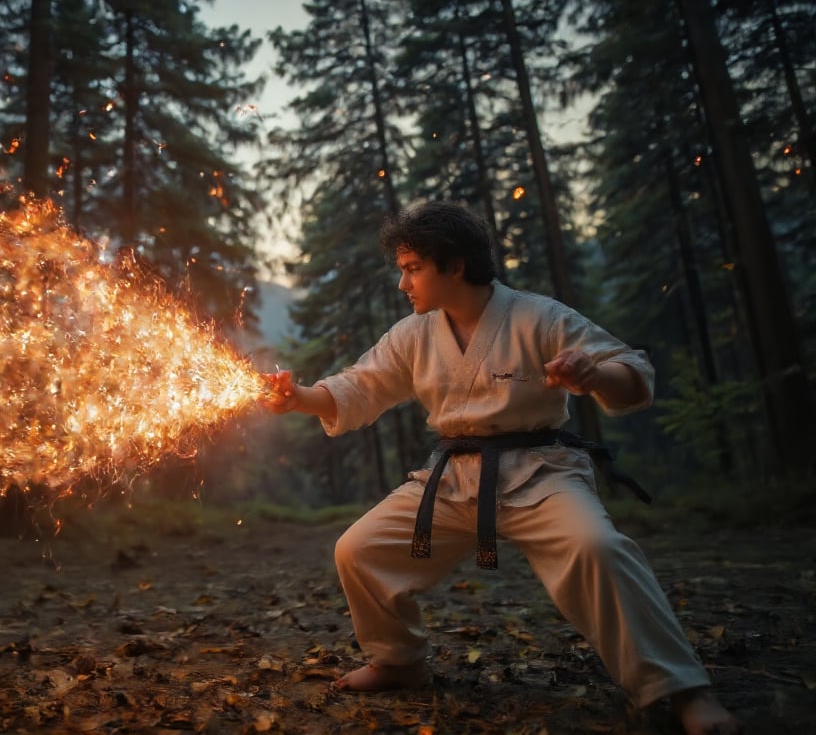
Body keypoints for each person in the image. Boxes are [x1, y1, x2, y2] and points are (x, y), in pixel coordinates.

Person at [261, 201, 741, 735]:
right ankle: (399, 661)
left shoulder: (539, 317)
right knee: (359, 549)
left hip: (541, 473)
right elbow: (360, 386)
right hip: (455, 480)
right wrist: (300, 397)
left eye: (412, 268)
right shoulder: (413, 334)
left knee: (598, 548)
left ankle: (680, 689)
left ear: (455, 265)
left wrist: (594, 376)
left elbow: (632, 373)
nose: (403, 284)